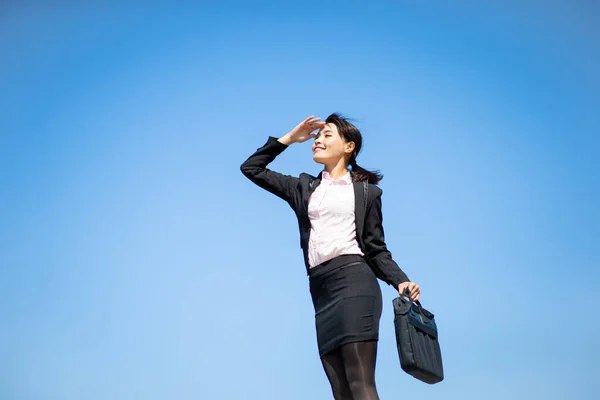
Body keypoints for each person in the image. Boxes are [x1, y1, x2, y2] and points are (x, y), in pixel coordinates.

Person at [240, 113, 421, 400]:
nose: (317, 141)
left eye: (327, 135)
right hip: (321, 291)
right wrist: (289, 138)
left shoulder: (366, 193)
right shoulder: (302, 187)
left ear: (349, 146)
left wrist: (401, 281)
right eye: (317, 136)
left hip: (355, 281)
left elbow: (375, 249)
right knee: (340, 391)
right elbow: (251, 168)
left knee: (360, 381)